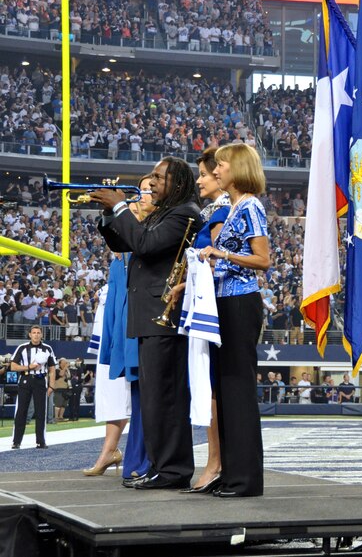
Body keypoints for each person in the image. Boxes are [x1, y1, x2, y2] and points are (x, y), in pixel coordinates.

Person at [92, 156, 201, 489]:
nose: (151, 183)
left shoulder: (185, 213)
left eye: (158, 177)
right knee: (154, 400)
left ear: (177, 183)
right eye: (151, 176)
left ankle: (173, 471)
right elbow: (123, 243)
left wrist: (122, 207)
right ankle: (160, 466)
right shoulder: (165, 213)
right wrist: (110, 212)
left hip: (163, 318)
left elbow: (144, 243)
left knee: (165, 398)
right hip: (149, 318)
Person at [198, 143, 270, 498]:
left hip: (241, 302)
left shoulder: (251, 206)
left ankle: (246, 479)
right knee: (226, 391)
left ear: (237, 168)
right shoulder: (236, 207)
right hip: (226, 302)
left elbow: (263, 259)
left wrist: (220, 253)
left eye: (221, 165)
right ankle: (231, 475)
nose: (216, 171)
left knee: (238, 390)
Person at [180, 146, 230, 494]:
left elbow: (215, 262)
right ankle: (215, 459)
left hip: (213, 305)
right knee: (209, 386)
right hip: (204, 300)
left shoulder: (221, 210)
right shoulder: (214, 208)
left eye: (203, 174)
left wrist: (187, 280)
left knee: (211, 386)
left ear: (218, 174)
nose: (198, 180)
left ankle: (215, 461)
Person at [10, 325, 56, 449]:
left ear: (41, 335)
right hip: (25, 379)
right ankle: (16, 441)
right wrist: (28, 367)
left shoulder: (47, 348)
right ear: (29, 334)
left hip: (41, 381)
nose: (36, 335)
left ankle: (41, 441)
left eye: (38, 332)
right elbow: (13, 366)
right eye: (34, 332)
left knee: (41, 411)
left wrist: (52, 385)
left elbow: (52, 369)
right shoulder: (22, 348)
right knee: (21, 411)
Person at [51, 358, 71, 424]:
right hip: (58, 389)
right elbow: (61, 374)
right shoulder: (57, 370)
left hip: (66, 389)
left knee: (63, 405)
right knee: (58, 404)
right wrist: (65, 367)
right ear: (60, 363)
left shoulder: (67, 370)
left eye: (66, 363)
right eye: (64, 363)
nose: (65, 364)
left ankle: (61, 417)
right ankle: (56, 417)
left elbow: (69, 377)